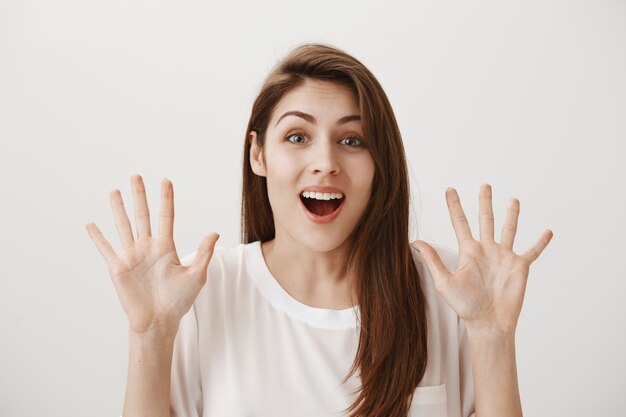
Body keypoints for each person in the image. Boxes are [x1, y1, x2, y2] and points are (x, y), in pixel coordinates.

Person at [85, 43, 553, 417]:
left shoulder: (452, 286)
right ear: (258, 154)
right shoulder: (199, 293)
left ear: (379, 163)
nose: (325, 163)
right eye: (297, 137)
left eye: (352, 140)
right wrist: (150, 332)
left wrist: (493, 336)